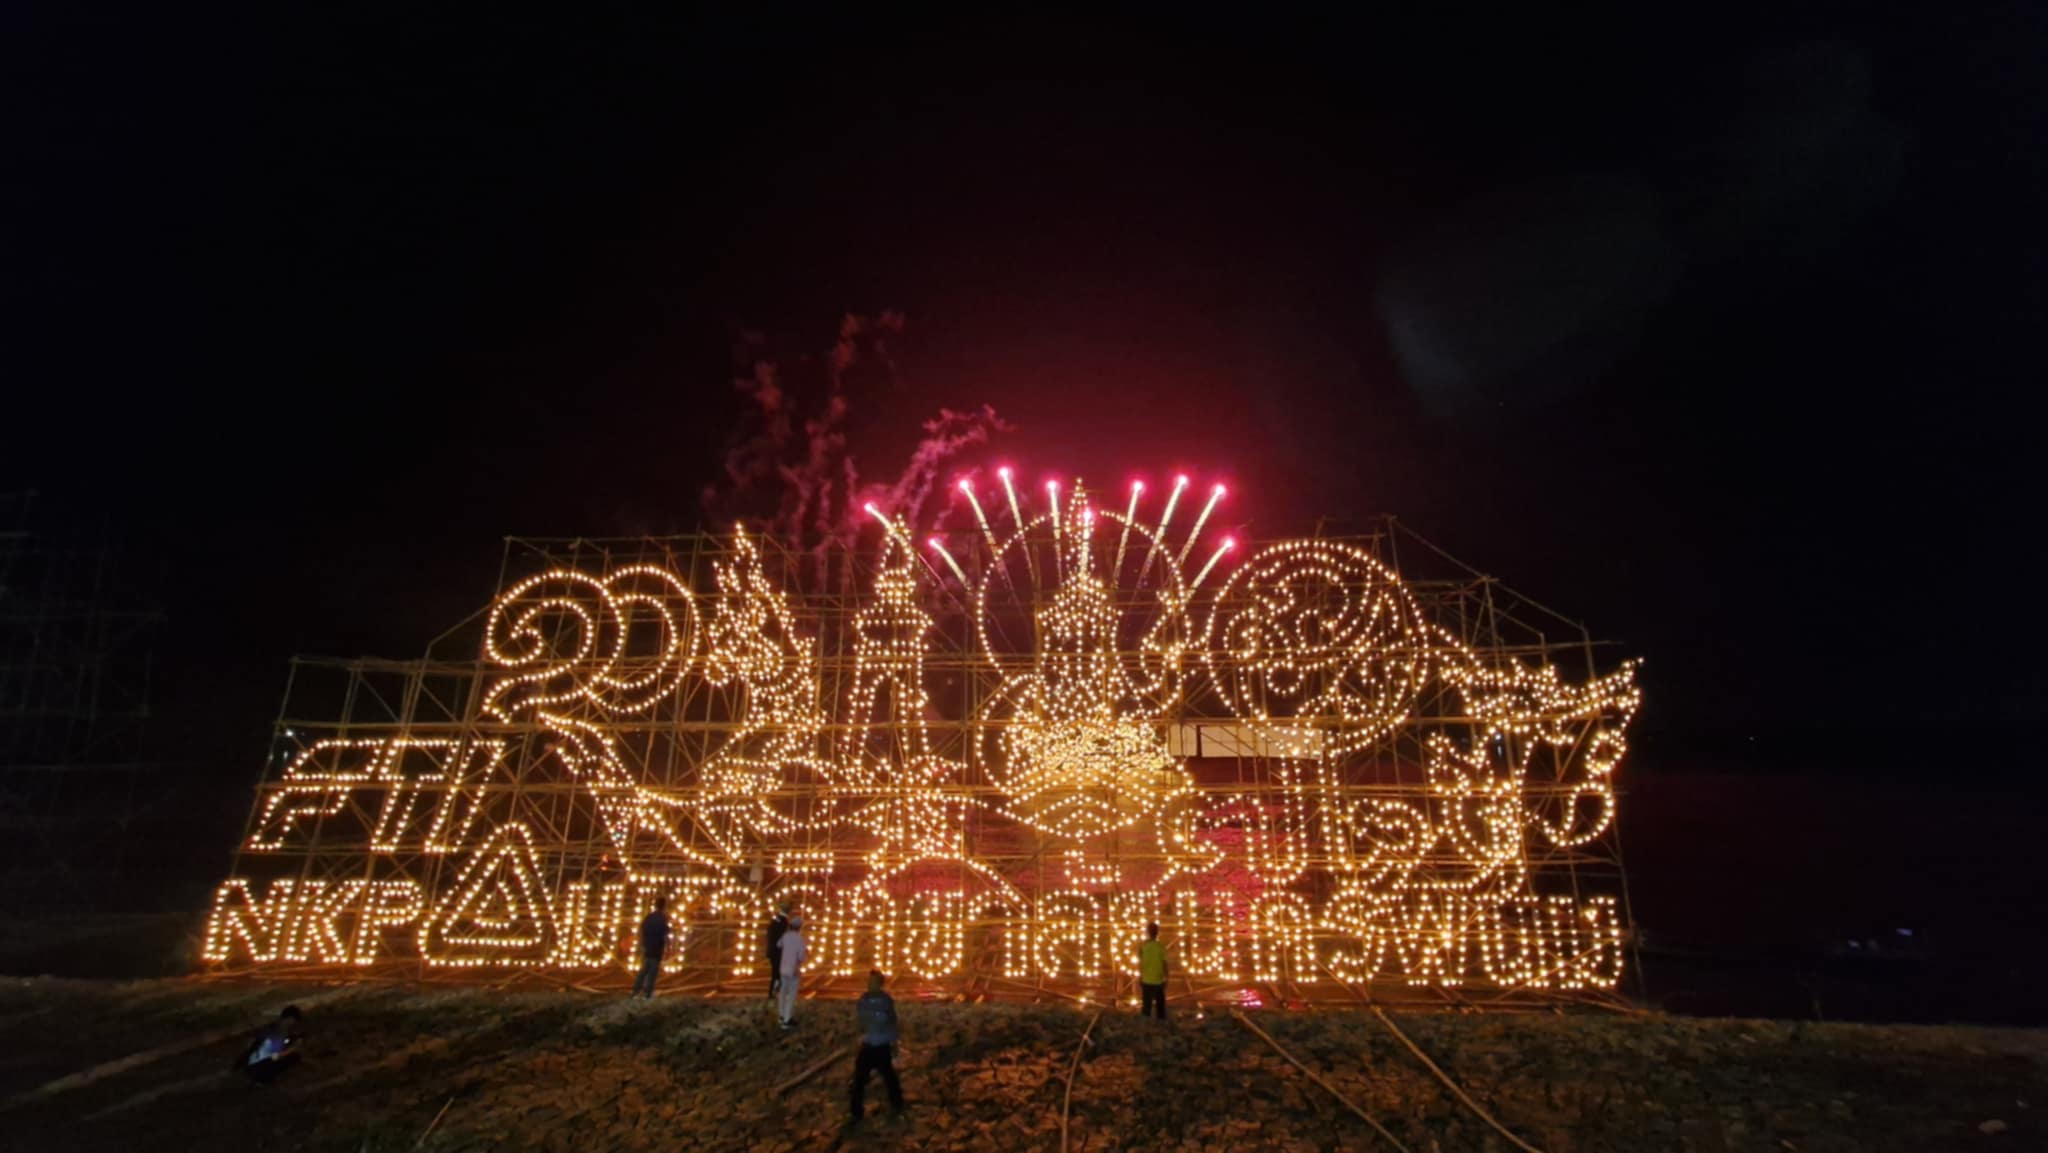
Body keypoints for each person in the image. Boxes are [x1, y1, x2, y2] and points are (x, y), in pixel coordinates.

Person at [849, 970, 904, 1124]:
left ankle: (896, 1102)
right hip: (869, 1044)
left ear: (879, 984)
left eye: (873, 982)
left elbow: (890, 1020)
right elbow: (861, 1019)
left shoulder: (885, 1001)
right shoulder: (864, 999)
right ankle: (856, 1110)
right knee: (861, 1078)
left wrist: (893, 1041)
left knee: (887, 1075)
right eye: (869, 982)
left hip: (880, 1045)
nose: (870, 985)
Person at [234, 1005, 303, 1084]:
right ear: (290, 1019)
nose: (294, 1024)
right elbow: (275, 1057)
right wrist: (294, 1048)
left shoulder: (273, 1027)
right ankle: (262, 1080)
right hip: (257, 1069)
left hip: (250, 1064)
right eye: (295, 1021)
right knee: (294, 1056)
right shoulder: (280, 1032)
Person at [632, 895, 671, 1000]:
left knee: (644, 969)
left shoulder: (650, 917)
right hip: (657, 947)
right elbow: (665, 933)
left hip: (648, 946)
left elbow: (642, 928)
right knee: (652, 971)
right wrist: (668, 947)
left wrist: (642, 943)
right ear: (664, 906)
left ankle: (636, 991)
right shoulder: (662, 918)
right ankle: (647, 993)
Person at [776, 913, 807, 1029]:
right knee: (791, 994)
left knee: (783, 993)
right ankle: (787, 1019)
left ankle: (781, 1016)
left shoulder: (785, 936)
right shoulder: (800, 940)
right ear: (799, 927)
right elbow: (801, 957)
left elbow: (778, 944)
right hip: (793, 970)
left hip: (783, 968)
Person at [1139, 922, 1168, 1021]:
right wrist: (1167, 977)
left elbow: (1140, 962)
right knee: (1160, 1003)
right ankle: (1160, 1021)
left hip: (1146, 979)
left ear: (1147, 932)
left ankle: (1146, 1019)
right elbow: (1165, 963)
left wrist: (1140, 976)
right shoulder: (1160, 947)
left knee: (1146, 1003)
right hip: (1158, 979)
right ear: (1158, 933)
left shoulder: (1143, 947)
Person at [765, 903, 790, 999]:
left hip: (772, 951)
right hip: (779, 952)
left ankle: (775, 992)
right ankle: (774, 992)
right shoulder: (783, 922)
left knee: (776, 973)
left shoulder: (775, 921)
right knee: (778, 973)